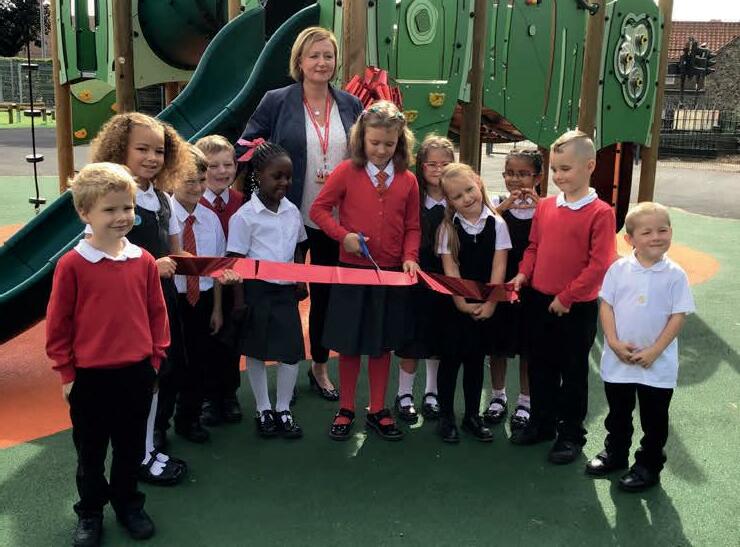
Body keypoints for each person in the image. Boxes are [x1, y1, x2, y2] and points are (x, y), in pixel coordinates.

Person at [46, 163, 168, 546]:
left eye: (127, 207)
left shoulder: (143, 260)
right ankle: (90, 512)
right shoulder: (72, 265)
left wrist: (154, 362)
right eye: (110, 209)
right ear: (85, 213)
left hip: (136, 373)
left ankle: (128, 505)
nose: (121, 217)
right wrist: (67, 374)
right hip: (90, 378)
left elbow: (157, 314)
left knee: (130, 448)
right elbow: (58, 326)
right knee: (91, 453)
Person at [238, 26, 363, 401]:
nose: (322, 62)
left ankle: (319, 368)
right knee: (282, 295)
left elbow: (363, 155)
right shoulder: (277, 100)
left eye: (328, 55)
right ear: (300, 61)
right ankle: (284, 371)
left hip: (332, 220)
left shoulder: (350, 105)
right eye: (314, 55)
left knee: (326, 296)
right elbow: (245, 145)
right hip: (286, 217)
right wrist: (258, 160)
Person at [310, 100, 420, 441]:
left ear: (400, 142)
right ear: (361, 139)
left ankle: (378, 409)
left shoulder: (408, 180)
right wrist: (343, 236)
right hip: (351, 273)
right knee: (349, 344)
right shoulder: (347, 172)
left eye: (389, 143)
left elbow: (413, 226)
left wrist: (410, 256)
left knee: (381, 345)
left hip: (390, 275)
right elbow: (319, 210)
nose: (381, 150)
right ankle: (346, 408)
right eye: (374, 143)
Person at [90, 112, 190, 485]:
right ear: (120, 149)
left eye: (159, 151)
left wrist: (218, 267)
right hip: (129, 307)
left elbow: (177, 254)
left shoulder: (163, 198)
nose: (152, 158)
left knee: (158, 375)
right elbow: (102, 259)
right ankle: (137, 455)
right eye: (142, 149)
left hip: (161, 301)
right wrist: (152, 267)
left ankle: (145, 447)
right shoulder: (113, 200)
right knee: (139, 380)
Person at [510, 130, 616, 464]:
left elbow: (599, 265)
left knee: (572, 373)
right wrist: (523, 273)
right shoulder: (545, 206)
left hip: (575, 308)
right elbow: (534, 247)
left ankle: (570, 435)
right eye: (555, 169)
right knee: (540, 367)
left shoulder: (600, 212)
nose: (558, 176)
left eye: (566, 169)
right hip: (539, 301)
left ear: (590, 166)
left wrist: (568, 297)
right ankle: (542, 424)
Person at [586, 202, 694, 492]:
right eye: (647, 232)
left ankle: (649, 465)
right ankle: (615, 452)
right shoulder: (618, 269)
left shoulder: (675, 274)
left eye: (663, 230)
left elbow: (678, 315)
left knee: (654, 419)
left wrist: (655, 351)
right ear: (629, 239)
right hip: (619, 359)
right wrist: (613, 342)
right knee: (618, 413)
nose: (656, 237)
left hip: (657, 364)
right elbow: (606, 305)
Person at [226, 141, 308, 439]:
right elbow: (235, 260)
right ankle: (264, 409)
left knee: (290, 353)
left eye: (288, 177)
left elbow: (298, 247)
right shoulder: (244, 217)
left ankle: (283, 408)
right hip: (256, 293)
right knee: (257, 351)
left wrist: (301, 279)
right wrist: (239, 302)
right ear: (258, 175)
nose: (284, 182)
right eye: (277, 176)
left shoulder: (292, 212)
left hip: (285, 293)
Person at [435, 163, 511, 443]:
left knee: (475, 362)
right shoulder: (448, 229)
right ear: (449, 201)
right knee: (450, 361)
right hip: (455, 309)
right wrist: (460, 302)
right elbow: (450, 268)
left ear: (478, 183)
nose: (467, 198)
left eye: (469, 189)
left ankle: (471, 416)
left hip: (484, 307)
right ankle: (446, 417)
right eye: (458, 196)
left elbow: (499, 266)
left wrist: (490, 303)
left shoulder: (497, 223)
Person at [394, 134, 454, 423]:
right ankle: (404, 394)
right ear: (421, 165)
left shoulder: (457, 199)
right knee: (411, 338)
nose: (438, 169)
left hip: (446, 278)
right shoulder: (413, 195)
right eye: (431, 163)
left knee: (438, 337)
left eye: (444, 163)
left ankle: (432, 393)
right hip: (415, 277)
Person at [168, 146, 226, 443]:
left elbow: (217, 268)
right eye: (189, 180)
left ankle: (188, 419)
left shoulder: (210, 219)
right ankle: (159, 426)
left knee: (199, 362)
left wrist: (217, 308)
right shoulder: (164, 216)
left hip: (201, 300)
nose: (197, 187)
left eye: (201, 180)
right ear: (172, 179)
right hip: (173, 300)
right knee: (172, 364)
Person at [483, 149, 543, 431]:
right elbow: (482, 226)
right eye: (510, 174)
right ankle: (498, 396)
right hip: (502, 282)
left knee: (529, 347)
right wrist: (506, 205)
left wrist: (540, 206)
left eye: (523, 174)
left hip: (533, 286)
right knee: (498, 344)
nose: (516, 180)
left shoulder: (546, 207)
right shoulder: (496, 203)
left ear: (537, 178)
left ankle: (526, 401)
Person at [195, 135, 245, 426]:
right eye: (213, 166)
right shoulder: (194, 201)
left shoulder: (240, 202)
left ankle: (229, 394)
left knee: (231, 341)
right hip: (202, 287)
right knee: (205, 343)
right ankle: (208, 398)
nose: (222, 171)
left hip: (233, 284)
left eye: (228, 164)